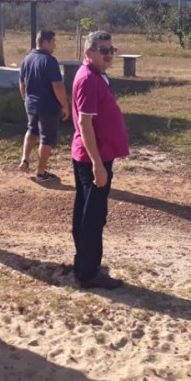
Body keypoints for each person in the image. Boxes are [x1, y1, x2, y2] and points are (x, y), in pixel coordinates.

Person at [71, 31, 129, 289]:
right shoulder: (88, 80)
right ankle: (88, 273)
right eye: (102, 50)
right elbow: (84, 123)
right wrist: (96, 164)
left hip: (96, 154)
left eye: (110, 49)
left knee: (87, 212)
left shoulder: (96, 75)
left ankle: (85, 263)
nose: (108, 54)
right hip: (93, 158)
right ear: (88, 53)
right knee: (93, 216)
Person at [18, 30, 69, 182]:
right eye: (53, 41)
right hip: (48, 106)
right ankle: (41, 173)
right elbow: (57, 85)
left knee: (31, 131)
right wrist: (65, 105)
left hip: (31, 104)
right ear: (45, 42)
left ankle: (25, 160)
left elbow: (22, 83)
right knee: (47, 139)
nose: (55, 45)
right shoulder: (50, 61)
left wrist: (25, 99)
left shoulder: (26, 59)